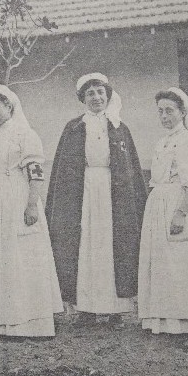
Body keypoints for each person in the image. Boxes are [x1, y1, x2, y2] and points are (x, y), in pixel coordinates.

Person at [45, 73, 147, 325]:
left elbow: (130, 166)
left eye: (100, 92)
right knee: (86, 245)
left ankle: (116, 309)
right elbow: (63, 168)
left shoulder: (120, 128)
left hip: (114, 195)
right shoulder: (73, 127)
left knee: (112, 244)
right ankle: (85, 308)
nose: (96, 97)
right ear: (83, 98)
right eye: (90, 93)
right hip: (84, 193)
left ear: (107, 95)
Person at [0, 85, 64, 337]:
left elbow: (35, 173)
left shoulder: (24, 134)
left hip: (17, 196)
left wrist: (31, 204)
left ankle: (27, 321)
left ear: (10, 107)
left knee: (21, 257)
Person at [138, 88, 188, 337]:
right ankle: (164, 319)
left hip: (179, 203)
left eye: (170, 111)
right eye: (160, 111)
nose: (165, 116)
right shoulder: (162, 141)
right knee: (163, 263)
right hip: (158, 204)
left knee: (183, 261)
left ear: (183, 112)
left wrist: (180, 213)